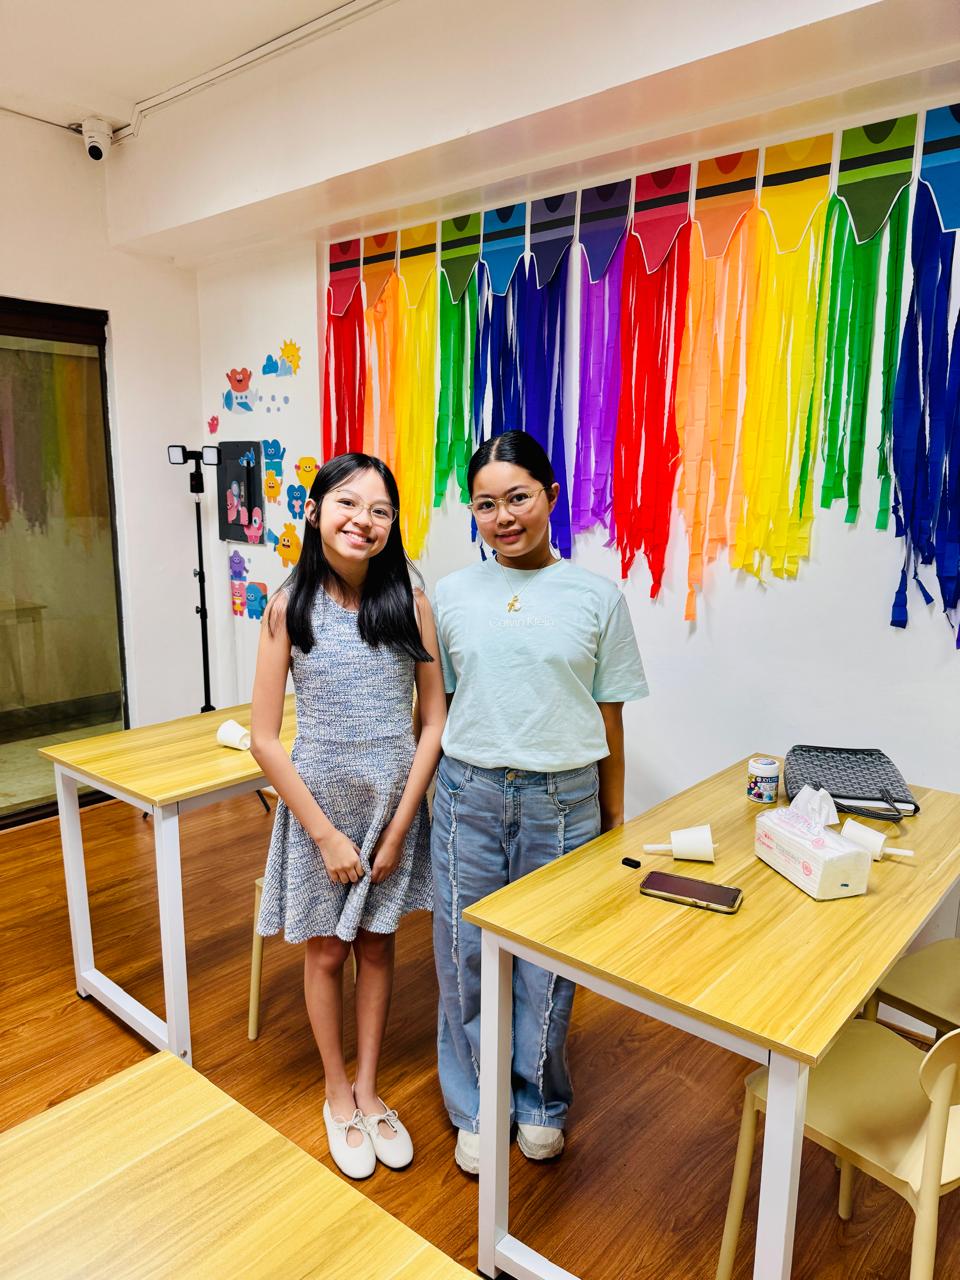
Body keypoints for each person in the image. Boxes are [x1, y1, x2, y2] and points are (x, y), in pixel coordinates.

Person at [432, 430, 649, 1174]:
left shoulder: (596, 596)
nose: (503, 517)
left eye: (518, 497)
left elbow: (611, 714)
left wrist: (615, 815)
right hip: (467, 796)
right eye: (485, 504)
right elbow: (441, 706)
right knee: (463, 956)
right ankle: (475, 1103)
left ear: (551, 497)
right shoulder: (451, 595)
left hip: (565, 800)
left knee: (548, 962)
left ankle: (540, 1102)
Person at [251, 453, 445, 1180]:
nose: (363, 520)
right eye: (347, 503)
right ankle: (337, 1092)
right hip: (320, 813)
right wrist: (325, 834)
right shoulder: (288, 605)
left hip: (392, 808)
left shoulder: (410, 600)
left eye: (380, 510)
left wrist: (400, 828)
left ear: (392, 524)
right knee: (328, 953)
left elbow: (434, 722)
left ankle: (369, 1088)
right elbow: (265, 739)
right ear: (314, 511)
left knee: (379, 946)